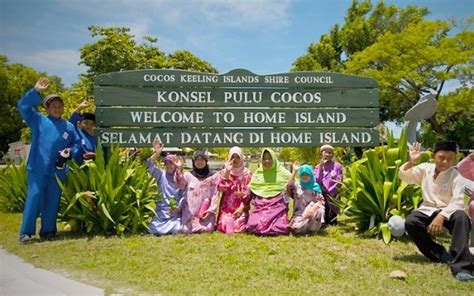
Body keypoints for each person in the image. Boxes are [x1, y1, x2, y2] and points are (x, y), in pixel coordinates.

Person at [17, 77, 79, 243]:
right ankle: (26, 233)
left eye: (60, 106)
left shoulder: (69, 127)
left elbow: (77, 145)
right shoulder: (38, 120)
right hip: (37, 168)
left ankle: (48, 231)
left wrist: (70, 151)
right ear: (47, 108)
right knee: (34, 197)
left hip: (58, 171)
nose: (57, 109)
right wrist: (36, 91)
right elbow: (23, 106)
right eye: (53, 106)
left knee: (53, 200)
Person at [400, 142, 473, 281]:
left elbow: (457, 201)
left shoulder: (456, 176)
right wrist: (412, 161)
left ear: (455, 160)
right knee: (411, 221)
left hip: (449, 211)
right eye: (441, 157)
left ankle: (462, 267)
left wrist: (442, 216)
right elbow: (405, 177)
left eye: (450, 159)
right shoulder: (425, 169)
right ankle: (440, 254)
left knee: (462, 218)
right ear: (433, 156)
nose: (445, 162)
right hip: (427, 209)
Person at [246, 148, 291, 235]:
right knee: (253, 225)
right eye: (264, 159)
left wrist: (288, 189)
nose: (267, 161)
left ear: (274, 159)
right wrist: (244, 194)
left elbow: (295, 186)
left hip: (277, 205)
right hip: (261, 205)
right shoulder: (258, 173)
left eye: (269, 158)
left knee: (280, 226)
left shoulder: (283, 173)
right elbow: (251, 188)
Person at [146, 140, 184, 235]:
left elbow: (184, 194)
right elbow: (149, 165)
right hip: (161, 212)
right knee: (153, 229)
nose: (169, 166)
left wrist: (178, 208)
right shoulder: (160, 174)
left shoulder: (180, 177)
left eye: (171, 163)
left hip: (175, 212)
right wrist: (157, 153)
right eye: (167, 163)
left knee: (178, 228)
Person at [177, 151, 220, 234]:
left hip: (205, 212)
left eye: (202, 159)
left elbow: (215, 194)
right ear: (193, 162)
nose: (199, 162)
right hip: (190, 212)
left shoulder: (213, 176)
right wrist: (179, 169)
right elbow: (180, 185)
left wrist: (210, 210)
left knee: (208, 229)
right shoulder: (187, 175)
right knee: (186, 230)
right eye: (197, 160)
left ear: (206, 161)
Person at [217, 147, 252, 234]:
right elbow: (221, 188)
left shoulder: (247, 174)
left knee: (240, 227)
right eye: (233, 157)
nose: (235, 160)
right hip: (226, 209)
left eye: (237, 157)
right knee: (224, 225)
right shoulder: (223, 172)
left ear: (241, 158)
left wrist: (241, 207)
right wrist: (227, 172)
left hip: (241, 207)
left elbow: (250, 193)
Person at [287, 162, 325, 234]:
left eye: (307, 174)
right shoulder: (297, 186)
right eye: (302, 175)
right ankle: (303, 226)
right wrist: (295, 171)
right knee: (297, 229)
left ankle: (312, 229)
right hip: (299, 214)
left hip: (312, 211)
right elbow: (288, 186)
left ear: (311, 175)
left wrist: (313, 209)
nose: (304, 176)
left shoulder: (315, 186)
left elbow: (321, 201)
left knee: (320, 210)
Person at [313, 144, 343, 225]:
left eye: (330, 153)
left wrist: (331, 191)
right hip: (322, 192)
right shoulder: (318, 167)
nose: (328, 154)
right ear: (322, 153)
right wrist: (321, 168)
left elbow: (339, 180)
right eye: (326, 152)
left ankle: (333, 218)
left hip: (333, 192)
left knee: (333, 219)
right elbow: (317, 181)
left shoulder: (337, 166)